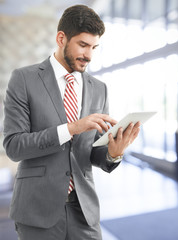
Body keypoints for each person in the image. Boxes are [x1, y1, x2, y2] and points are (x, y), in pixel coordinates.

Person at [3, 4, 140, 240]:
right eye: (83, 45)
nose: (89, 55)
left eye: (94, 47)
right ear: (61, 38)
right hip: (37, 211)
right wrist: (72, 128)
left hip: (84, 213)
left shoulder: (99, 89)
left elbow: (93, 152)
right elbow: (14, 146)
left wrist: (113, 153)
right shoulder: (24, 79)